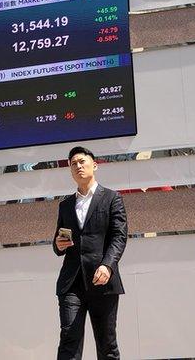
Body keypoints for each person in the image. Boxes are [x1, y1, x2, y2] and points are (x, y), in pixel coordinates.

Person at [53, 146, 127, 359]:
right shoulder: (65, 205)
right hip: (71, 283)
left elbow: (119, 236)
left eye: (82, 161)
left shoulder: (112, 198)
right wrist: (58, 244)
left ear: (94, 165)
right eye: (73, 164)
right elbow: (58, 241)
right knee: (69, 340)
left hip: (102, 280)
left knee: (106, 344)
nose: (78, 166)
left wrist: (107, 265)